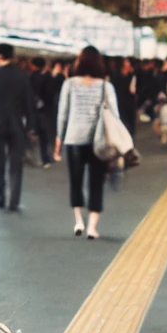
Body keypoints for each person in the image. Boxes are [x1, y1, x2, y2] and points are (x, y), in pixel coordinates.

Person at [54, 45, 118, 239]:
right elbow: (115, 115)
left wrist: (59, 139)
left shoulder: (70, 84)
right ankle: (92, 227)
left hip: (73, 139)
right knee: (96, 182)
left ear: (79, 62)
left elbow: (62, 114)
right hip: (98, 142)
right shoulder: (106, 86)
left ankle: (78, 222)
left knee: (76, 181)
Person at [0, 43, 35, 212]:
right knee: (16, 165)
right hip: (17, 126)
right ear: (12, 56)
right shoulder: (22, 77)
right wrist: (30, 126)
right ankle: (14, 201)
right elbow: (29, 104)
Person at [29, 56, 55, 168]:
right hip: (45, 112)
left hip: (33, 111)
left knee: (34, 135)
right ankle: (46, 159)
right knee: (44, 136)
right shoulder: (48, 78)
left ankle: (35, 157)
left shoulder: (29, 78)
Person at [112, 56, 137, 136]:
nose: (127, 64)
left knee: (129, 122)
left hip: (129, 102)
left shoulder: (132, 75)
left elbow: (133, 90)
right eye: (126, 62)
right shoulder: (116, 75)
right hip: (119, 100)